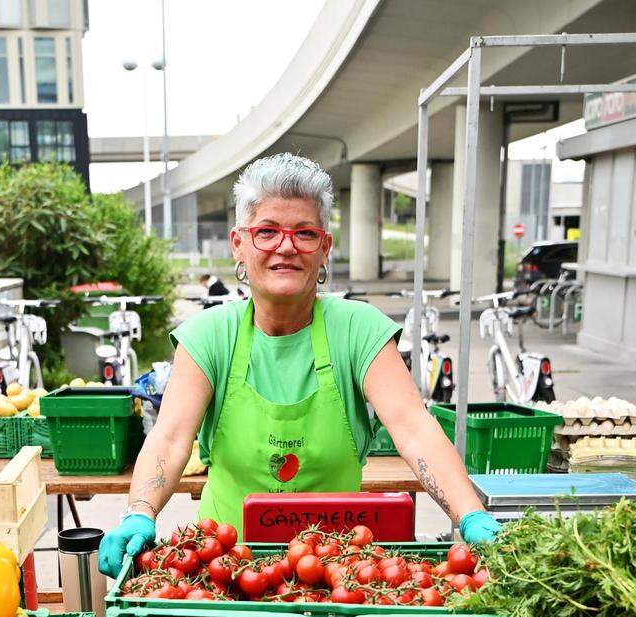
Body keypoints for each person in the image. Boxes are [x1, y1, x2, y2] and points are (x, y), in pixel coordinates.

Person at [96, 153, 500, 577]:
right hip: (226, 573)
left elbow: (413, 427)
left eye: (305, 233)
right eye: (266, 231)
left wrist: (469, 514)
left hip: (338, 574)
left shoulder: (359, 331)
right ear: (239, 243)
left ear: (324, 248)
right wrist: (139, 511)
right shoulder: (208, 337)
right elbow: (171, 436)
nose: (285, 247)